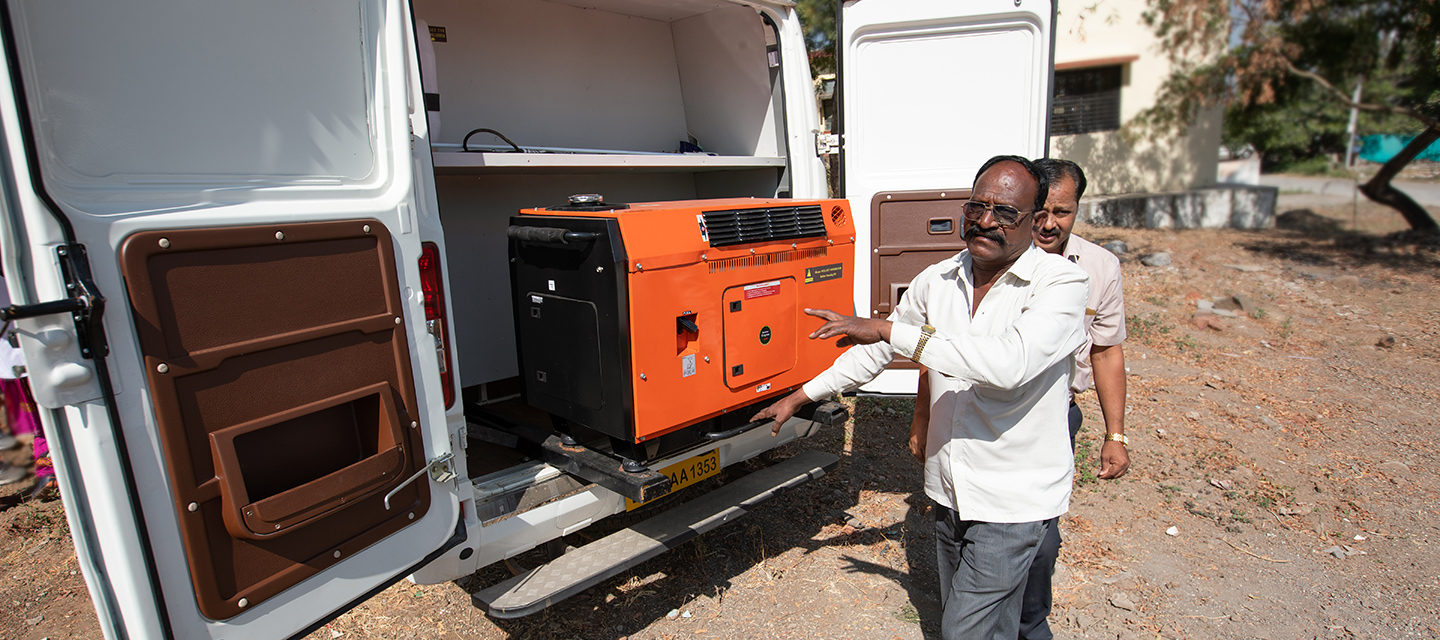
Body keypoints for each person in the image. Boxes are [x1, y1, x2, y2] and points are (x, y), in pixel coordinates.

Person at [754, 155, 1089, 639]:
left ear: (1036, 221)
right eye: (978, 205)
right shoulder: (939, 279)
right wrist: (801, 395)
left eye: (1005, 212)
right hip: (950, 487)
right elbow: (875, 352)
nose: (985, 220)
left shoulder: (1060, 285)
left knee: (964, 630)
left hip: (1013, 499)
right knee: (984, 621)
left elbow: (1008, 365)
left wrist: (892, 330)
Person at [909, 157, 1131, 639]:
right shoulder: (956, 273)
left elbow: (1104, 352)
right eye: (1044, 210)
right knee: (989, 561)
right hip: (972, 422)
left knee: (1035, 545)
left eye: (1062, 212)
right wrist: (922, 415)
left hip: (1050, 416)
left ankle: (1029, 624)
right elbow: (942, 354)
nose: (1050, 223)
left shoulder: (1086, 272)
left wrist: (1115, 432)